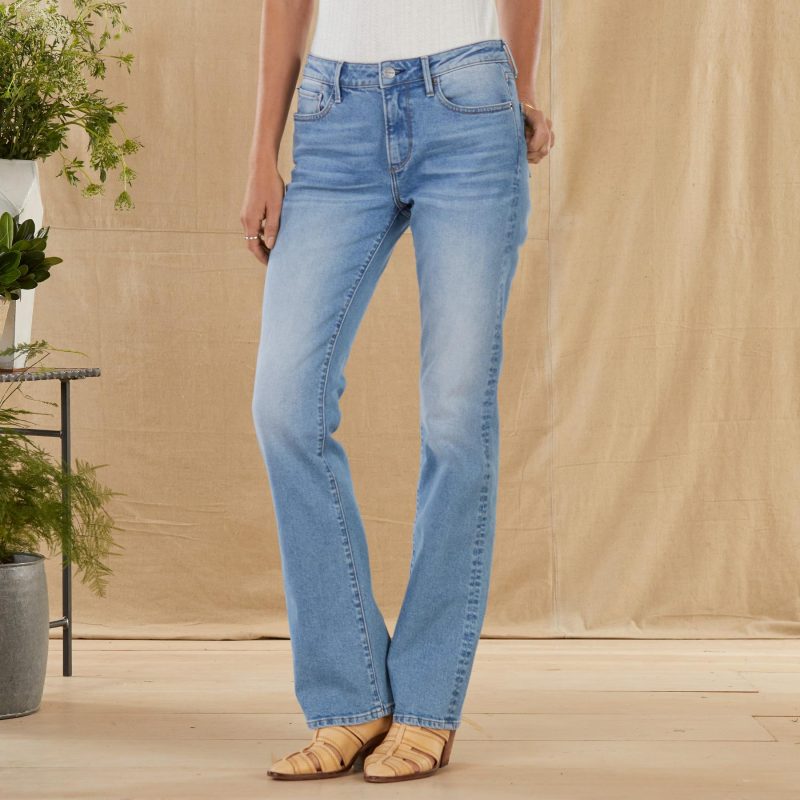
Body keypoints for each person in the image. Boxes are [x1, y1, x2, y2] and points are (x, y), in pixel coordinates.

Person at [242, 0, 554, 783]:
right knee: (284, 404)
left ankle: (426, 702)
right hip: (332, 113)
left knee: (455, 417)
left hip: (469, 104)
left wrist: (516, 92)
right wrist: (261, 153)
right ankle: (350, 699)